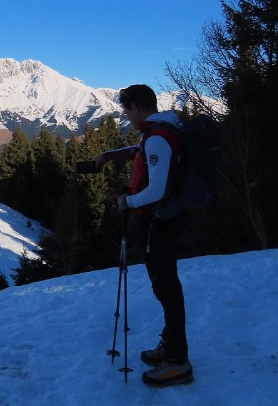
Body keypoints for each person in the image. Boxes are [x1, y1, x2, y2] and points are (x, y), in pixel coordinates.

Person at [95, 84, 194, 388]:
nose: (126, 115)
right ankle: (170, 344)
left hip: (158, 220)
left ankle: (178, 361)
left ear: (136, 107)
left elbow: (158, 189)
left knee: (165, 286)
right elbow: (140, 153)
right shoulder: (162, 130)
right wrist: (108, 156)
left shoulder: (158, 138)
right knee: (166, 284)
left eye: (126, 109)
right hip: (164, 217)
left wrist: (129, 202)